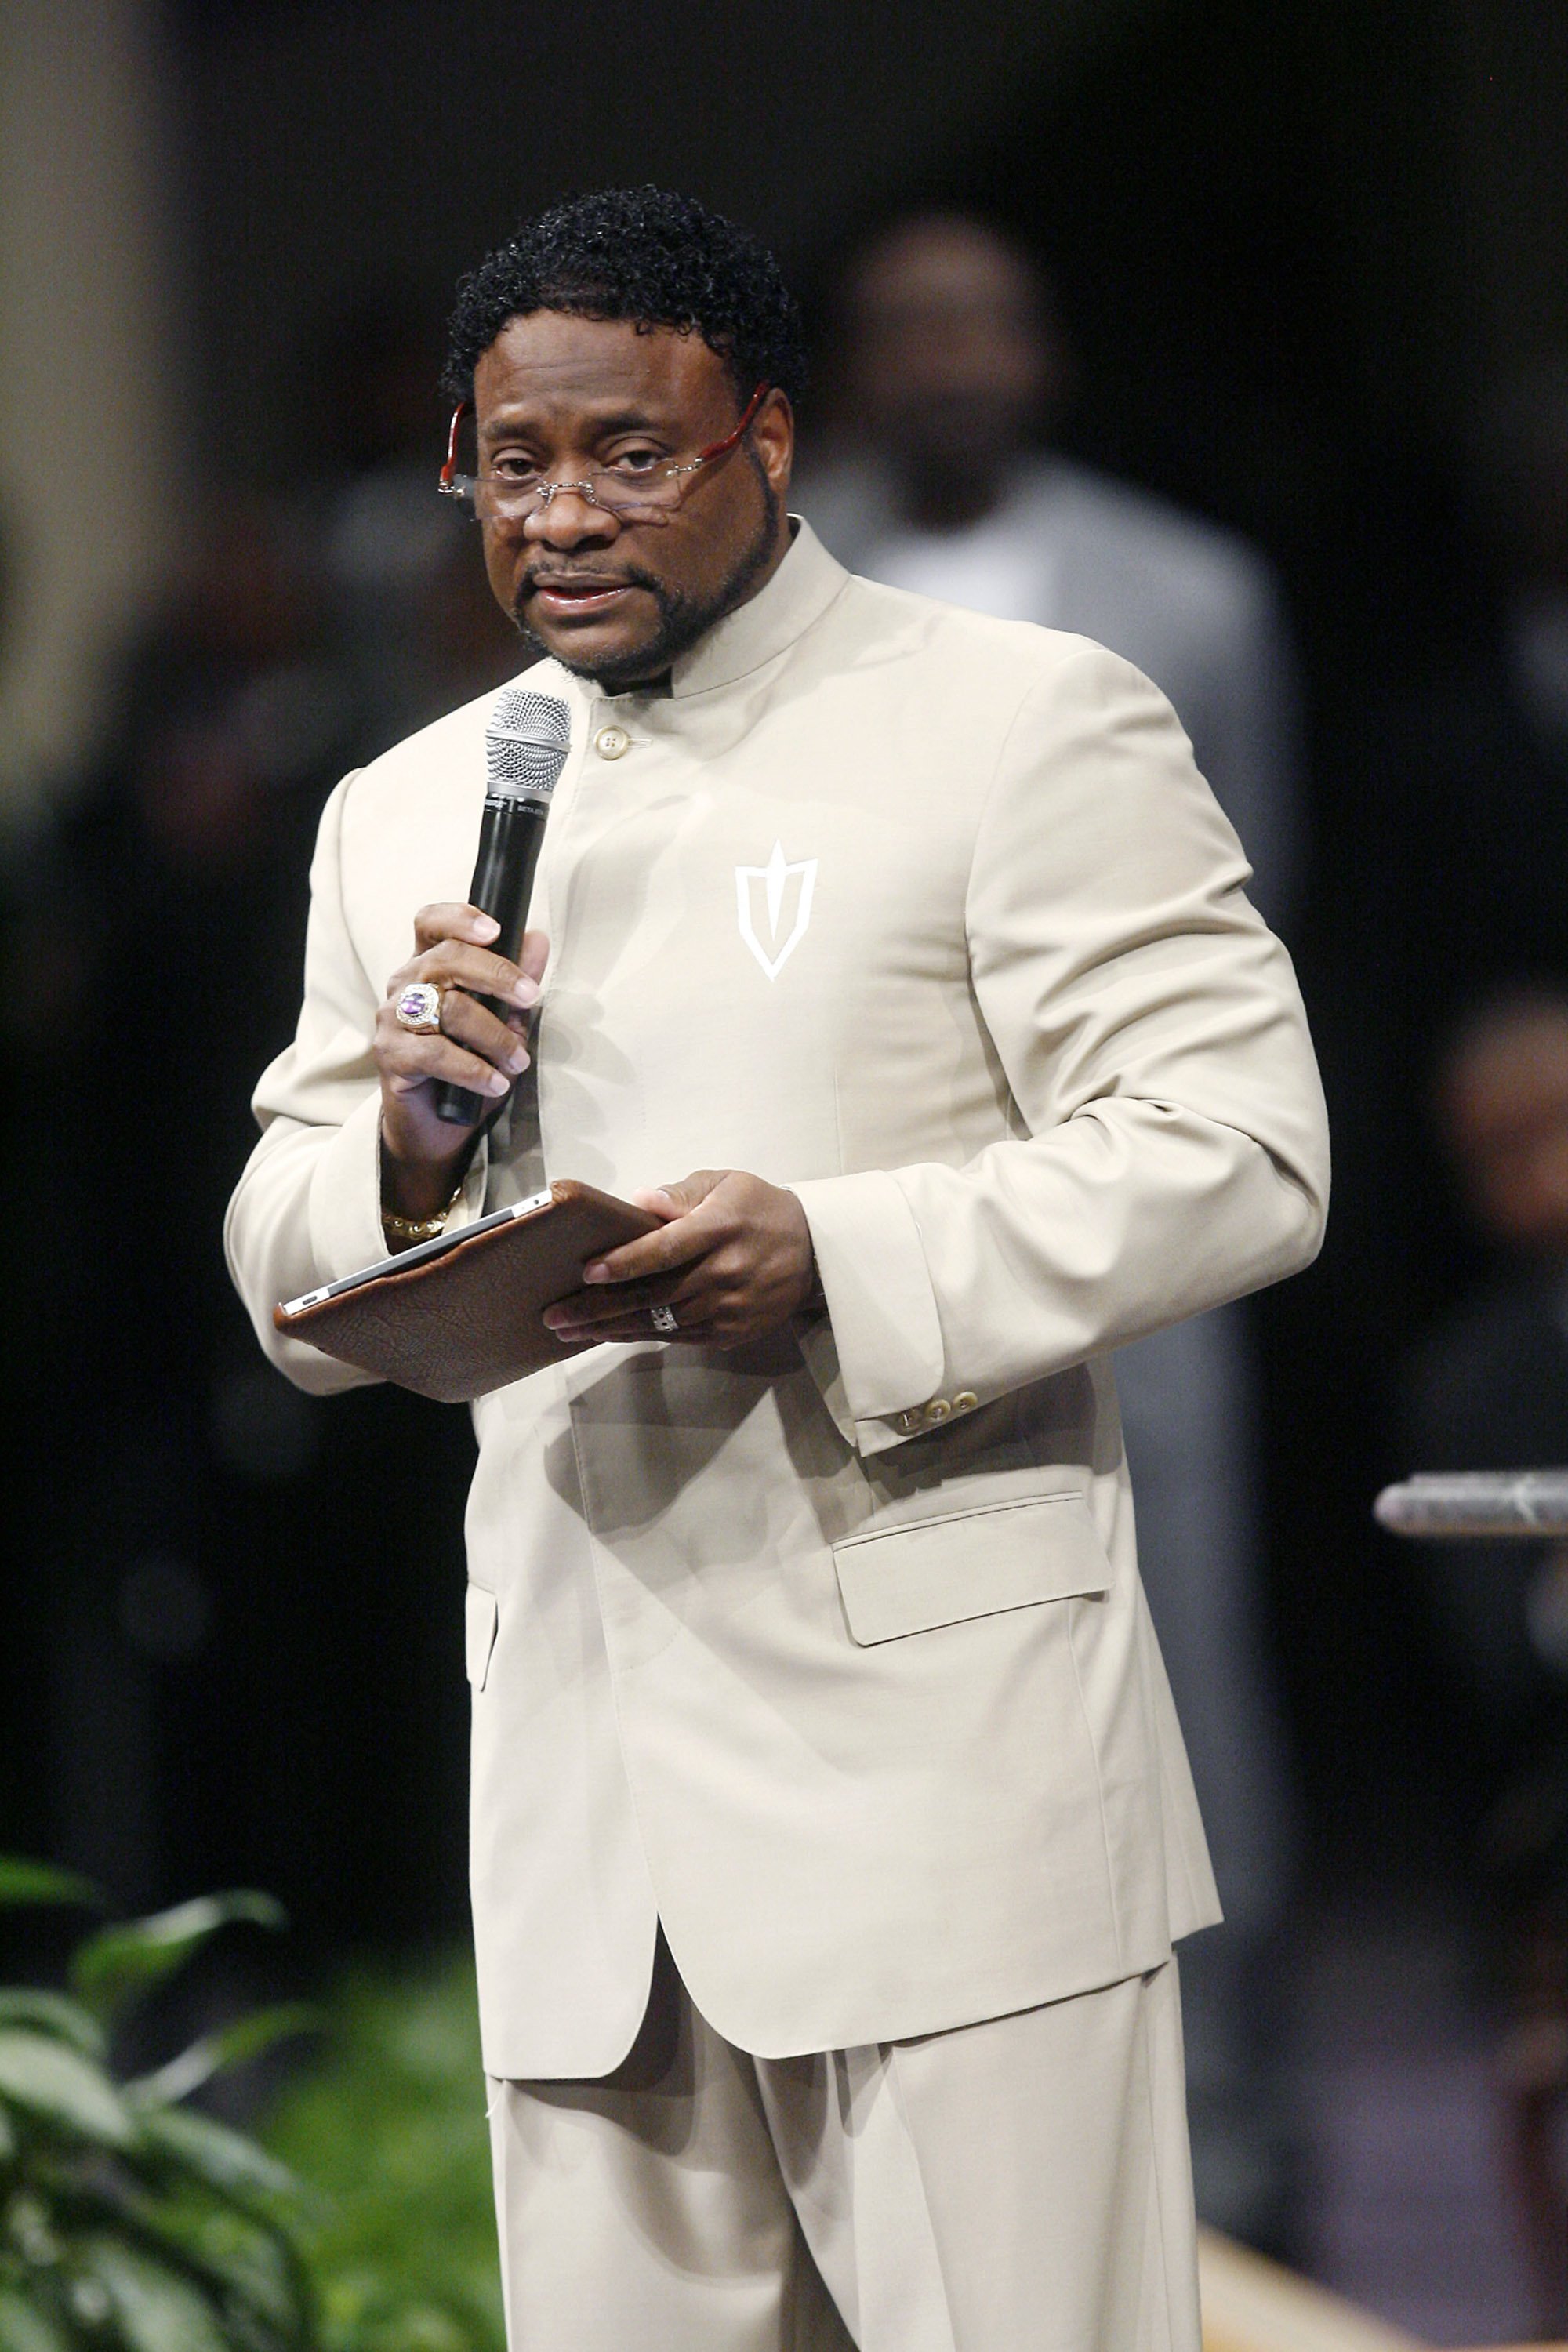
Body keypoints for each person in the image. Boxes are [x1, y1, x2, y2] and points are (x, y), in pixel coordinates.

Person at [226, 188, 1329, 2352]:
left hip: (948, 1795)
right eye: (512, 462)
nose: (560, 513)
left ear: (773, 443)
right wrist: (409, 1145)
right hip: (587, 1822)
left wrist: (838, 1249)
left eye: (631, 453)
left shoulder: (1021, 719)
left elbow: (1242, 1152)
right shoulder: (409, 807)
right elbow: (283, 1262)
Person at [803, 209, 1305, 2242]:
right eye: (906, 326)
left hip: (1125, 1222)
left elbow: (1251, 927)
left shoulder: (1191, 591)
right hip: (850, 1220)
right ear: (844, 364)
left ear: (1046, 353)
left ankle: (1242, 2166)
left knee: (1187, 1673)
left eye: (983, 321)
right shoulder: (784, 574)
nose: (946, 359)